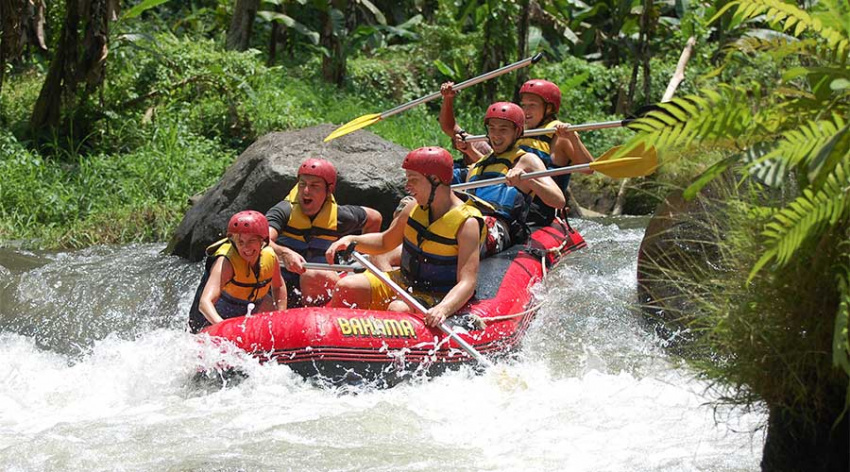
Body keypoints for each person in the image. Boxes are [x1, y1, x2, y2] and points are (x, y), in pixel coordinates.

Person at [325, 147, 484, 327]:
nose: (408, 187)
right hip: (404, 280)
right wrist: (351, 240)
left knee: (398, 309)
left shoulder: (467, 224)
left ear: (435, 179)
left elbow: (468, 282)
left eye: (413, 180)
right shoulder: (412, 209)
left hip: (438, 295)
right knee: (347, 287)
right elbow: (385, 242)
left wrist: (443, 309)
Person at [266, 158, 382, 306]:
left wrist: (364, 256)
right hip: (282, 287)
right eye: (302, 184)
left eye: (314, 186)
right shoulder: (283, 211)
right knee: (310, 274)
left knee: (312, 274)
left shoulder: (339, 216)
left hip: (317, 287)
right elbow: (262, 240)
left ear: (329, 190)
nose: (306, 191)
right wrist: (283, 252)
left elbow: (374, 219)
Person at [454, 101, 566, 255]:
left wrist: (528, 180)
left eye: (503, 129)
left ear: (517, 132)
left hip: (501, 229)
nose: (496, 135)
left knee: (470, 226)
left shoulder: (527, 160)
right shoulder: (477, 165)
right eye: (492, 128)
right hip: (470, 221)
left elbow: (559, 201)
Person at [188, 210, 286, 333]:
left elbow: (278, 286)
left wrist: (281, 317)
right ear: (234, 242)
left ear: (262, 241)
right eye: (241, 242)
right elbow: (204, 303)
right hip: (210, 319)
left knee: (267, 302)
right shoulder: (225, 263)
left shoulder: (270, 257)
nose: (246, 247)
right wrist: (225, 329)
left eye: (251, 241)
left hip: (247, 306)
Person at [516, 79, 595, 225]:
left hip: (539, 212)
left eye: (532, 105)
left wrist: (574, 138)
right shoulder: (521, 134)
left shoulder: (560, 136)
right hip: (514, 204)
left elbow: (588, 169)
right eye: (524, 105)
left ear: (549, 108)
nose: (526, 111)